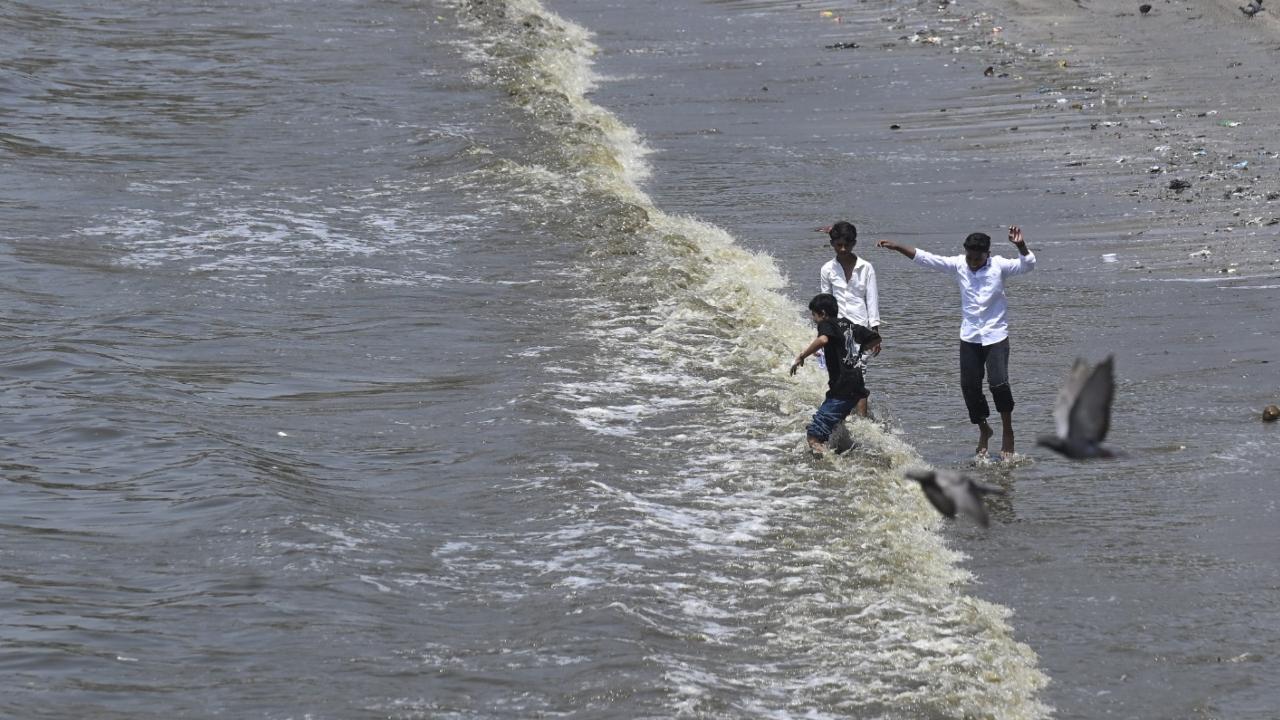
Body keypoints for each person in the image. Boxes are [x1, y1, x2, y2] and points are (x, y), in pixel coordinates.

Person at [876, 226, 1036, 459]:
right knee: (969, 387)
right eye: (969, 257)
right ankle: (984, 429)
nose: (972, 262)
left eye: (977, 258)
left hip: (996, 336)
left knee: (998, 384)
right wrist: (898, 246)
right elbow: (926, 259)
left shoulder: (999, 265)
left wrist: (1021, 246)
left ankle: (1008, 432)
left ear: (987, 254)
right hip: (969, 336)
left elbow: (1028, 265)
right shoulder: (959, 264)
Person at [790, 293, 881, 455]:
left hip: (841, 388)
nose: (813, 319)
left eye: (814, 315)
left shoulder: (826, 324)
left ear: (823, 313)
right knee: (836, 425)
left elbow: (823, 340)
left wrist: (802, 356)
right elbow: (875, 339)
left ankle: (832, 466)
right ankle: (846, 451)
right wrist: (856, 352)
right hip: (857, 384)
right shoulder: (848, 324)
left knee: (813, 436)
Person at [818, 220, 881, 417]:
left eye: (847, 244)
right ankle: (842, 416)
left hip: (861, 328)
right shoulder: (827, 269)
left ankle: (862, 421)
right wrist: (822, 333)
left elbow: (872, 299)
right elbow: (825, 303)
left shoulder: (866, 268)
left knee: (859, 374)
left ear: (854, 243)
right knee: (838, 377)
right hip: (837, 329)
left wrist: (875, 332)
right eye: (838, 245)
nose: (843, 249)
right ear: (832, 244)